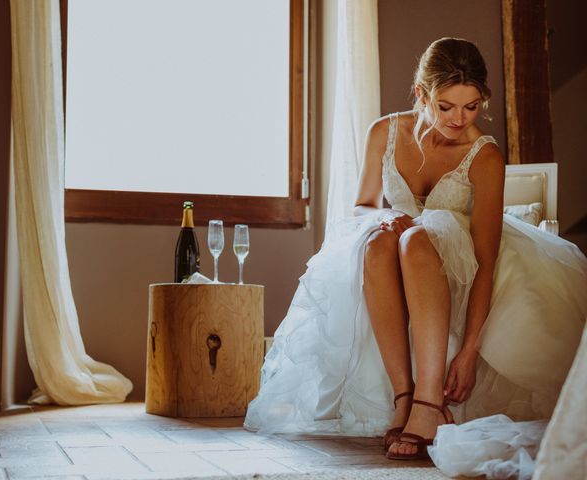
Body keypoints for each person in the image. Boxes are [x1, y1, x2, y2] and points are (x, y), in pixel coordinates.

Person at [244, 38, 587, 462]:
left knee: (418, 236)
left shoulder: (484, 155)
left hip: (457, 275)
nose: (459, 119)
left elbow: (485, 261)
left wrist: (469, 350)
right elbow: (363, 204)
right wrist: (380, 217)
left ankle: (430, 401)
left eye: (472, 106)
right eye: (446, 106)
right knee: (378, 240)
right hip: (392, 264)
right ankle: (403, 397)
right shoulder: (384, 132)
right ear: (421, 94)